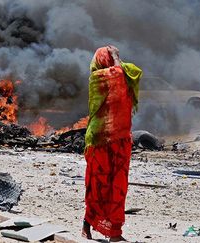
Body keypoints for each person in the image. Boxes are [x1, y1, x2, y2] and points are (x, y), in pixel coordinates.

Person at [83, 45, 142, 242]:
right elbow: (117, 74)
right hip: (100, 141)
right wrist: (116, 56)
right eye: (111, 57)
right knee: (98, 186)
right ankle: (87, 225)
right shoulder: (97, 78)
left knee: (118, 188)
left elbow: (134, 72)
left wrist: (118, 61)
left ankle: (115, 232)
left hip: (121, 140)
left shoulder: (121, 73)